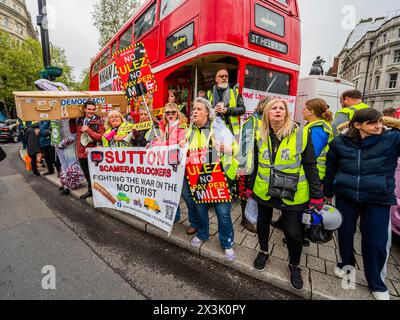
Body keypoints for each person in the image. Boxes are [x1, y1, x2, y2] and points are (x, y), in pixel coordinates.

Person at [323, 108, 400, 300]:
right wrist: (327, 194)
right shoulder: (340, 142)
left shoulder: (391, 139)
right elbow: (331, 168)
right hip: (346, 195)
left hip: (378, 198)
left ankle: (376, 282)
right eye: (372, 123)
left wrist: (394, 123)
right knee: (345, 234)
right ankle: (346, 266)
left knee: (375, 241)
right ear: (357, 125)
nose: (378, 126)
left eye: (380, 121)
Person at [250, 99, 323, 290]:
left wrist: (317, 195)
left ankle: (294, 265)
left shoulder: (301, 133)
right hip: (264, 189)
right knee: (262, 223)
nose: (277, 110)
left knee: (292, 232)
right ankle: (264, 252)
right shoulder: (260, 133)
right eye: (273, 108)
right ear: (266, 113)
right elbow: (256, 163)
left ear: (286, 113)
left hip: (292, 192)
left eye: (281, 108)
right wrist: (249, 186)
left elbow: (310, 165)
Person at [183, 97, 239, 261]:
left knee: (223, 213)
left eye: (198, 109)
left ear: (207, 112)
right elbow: (186, 151)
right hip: (198, 177)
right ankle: (202, 234)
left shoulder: (219, 129)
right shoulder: (190, 131)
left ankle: (227, 243)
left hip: (218, 176)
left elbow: (236, 149)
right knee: (200, 210)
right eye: (193, 109)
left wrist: (224, 148)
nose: (194, 112)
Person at [237, 98, 271, 233]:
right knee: (244, 190)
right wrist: (243, 166)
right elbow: (245, 143)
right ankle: (245, 219)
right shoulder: (253, 121)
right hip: (250, 163)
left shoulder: (268, 122)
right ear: (264, 107)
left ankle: (253, 216)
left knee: (255, 190)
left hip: (262, 164)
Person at [151, 102, 188, 223]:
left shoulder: (181, 126)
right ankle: (172, 215)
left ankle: (184, 219)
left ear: (177, 113)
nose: (170, 114)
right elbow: (160, 140)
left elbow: (173, 144)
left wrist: (158, 143)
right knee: (167, 191)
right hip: (165, 162)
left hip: (176, 163)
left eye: (173, 112)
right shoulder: (164, 125)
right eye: (167, 113)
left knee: (179, 193)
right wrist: (156, 141)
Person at [70, 100, 105, 200]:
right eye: (89, 109)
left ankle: (99, 194)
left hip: (94, 152)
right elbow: (73, 131)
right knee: (87, 174)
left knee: (95, 174)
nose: (91, 111)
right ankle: (90, 191)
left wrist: (88, 130)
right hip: (81, 152)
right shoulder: (79, 120)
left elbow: (101, 137)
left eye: (93, 109)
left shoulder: (99, 121)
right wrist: (71, 119)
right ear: (84, 109)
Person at [207, 68, 246, 140]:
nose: (224, 78)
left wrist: (228, 110)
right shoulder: (209, 94)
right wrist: (213, 110)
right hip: (214, 131)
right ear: (216, 79)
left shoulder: (235, 92)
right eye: (221, 76)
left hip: (231, 131)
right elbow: (204, 112)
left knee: (230, 151)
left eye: (226, 76)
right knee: (215, 151)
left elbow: (242, 109)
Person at [56, 120, 84, 196]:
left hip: (70, 146)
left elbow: (74, 135)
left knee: (72, 165)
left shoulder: (72, 117)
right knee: (64, 165)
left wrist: (62, 143)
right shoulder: (56, 117)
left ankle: (71, 185)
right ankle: (66, 184)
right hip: (60, 145)